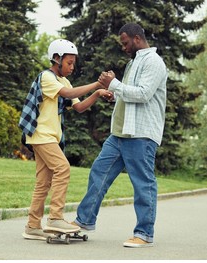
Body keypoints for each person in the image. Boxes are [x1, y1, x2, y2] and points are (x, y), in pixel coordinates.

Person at [72, 23, 168, 248]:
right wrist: (113, 94)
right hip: (120, 133)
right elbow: (130, 94)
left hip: (141, 134)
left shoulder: (154, 62)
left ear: (136, 39)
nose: (123, 48)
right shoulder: (133, 62)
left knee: (142, 183)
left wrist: (114, 83)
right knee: (99, 172)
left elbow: (144, 94)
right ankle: (84, 221)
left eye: (125, 43)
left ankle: (144, 233)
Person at [19, 39, 111, 240]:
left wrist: (96, 93)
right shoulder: (47, 77)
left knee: (43, 182)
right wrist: (97, 83)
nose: (72, 67)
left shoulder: (64, 81)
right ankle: (55, 218)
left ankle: (33, 226)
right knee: (63, 168)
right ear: (56, 59)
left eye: (73, 63)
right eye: (69, 62)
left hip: (48, 136)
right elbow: (67, 94)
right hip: (41, 134)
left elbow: (78, 107)